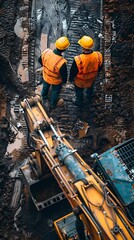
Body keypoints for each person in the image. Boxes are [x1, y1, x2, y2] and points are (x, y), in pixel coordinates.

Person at [69, 35, 103, 108]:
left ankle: (79, 102)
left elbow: (73, 72)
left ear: (82, 47)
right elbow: (100, 67)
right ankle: (89, 95)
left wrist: (71, 79)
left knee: (79, 92)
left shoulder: (78, 59)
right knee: (90, 88)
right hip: (91, 79)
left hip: (80, 81)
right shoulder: (98, 55)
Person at [38, 36, 70, 108]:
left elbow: (39, 60)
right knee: (55, 92)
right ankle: (53, 104)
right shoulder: (61, 62)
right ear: (64, 49)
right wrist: (64, 82)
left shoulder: (46, 52)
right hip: (56, 81)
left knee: (45, 87)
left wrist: (45, 67)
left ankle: (43, 97)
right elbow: (64, 75)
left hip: (46, 76)